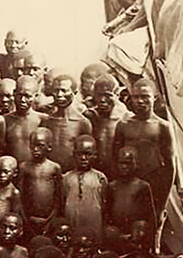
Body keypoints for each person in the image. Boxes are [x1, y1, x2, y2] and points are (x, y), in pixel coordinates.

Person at [112, 79, 173, 225]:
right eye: (136, 97)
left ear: (154, 98)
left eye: (145, 97)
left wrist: (162, 203)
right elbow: (114, 158)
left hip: (153, 181)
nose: (140, 101)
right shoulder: (123, 125)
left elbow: (170, 165)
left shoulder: (162, 126)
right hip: (128, 182)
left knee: (150, 225)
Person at [41, 74, 93, 172]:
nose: (59, 95)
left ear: (74, 92)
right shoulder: (47, 121)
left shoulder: (82, 123)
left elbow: (87, 154)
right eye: (56, 90)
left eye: (64, 90)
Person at [19, 129, 63, 237]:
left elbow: (58, 198)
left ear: (49, 147)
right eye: (32, 145)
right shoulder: (24, 167)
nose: (35, 149)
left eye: (40, 146)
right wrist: (26, 220)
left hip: (49, 219)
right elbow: (20, 197)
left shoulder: (54, 168)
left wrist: (50, 219)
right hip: (29, 219)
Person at [62, 135, 108, 239]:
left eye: (88, 154)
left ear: (95, 155)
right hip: (72, 224)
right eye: (79, 154)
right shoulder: (66, 178)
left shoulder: (100, 178)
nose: (83, 158)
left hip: (94, 226)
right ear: (74, 154)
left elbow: (104, 206)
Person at [3, 76, 44, 164]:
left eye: (28, 96)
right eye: (20, 95)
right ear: (14, 93)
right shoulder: (5, 120)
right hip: (11, 168)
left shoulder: (42, 120)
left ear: (36, 96)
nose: (22, 100)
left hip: (34, 168)